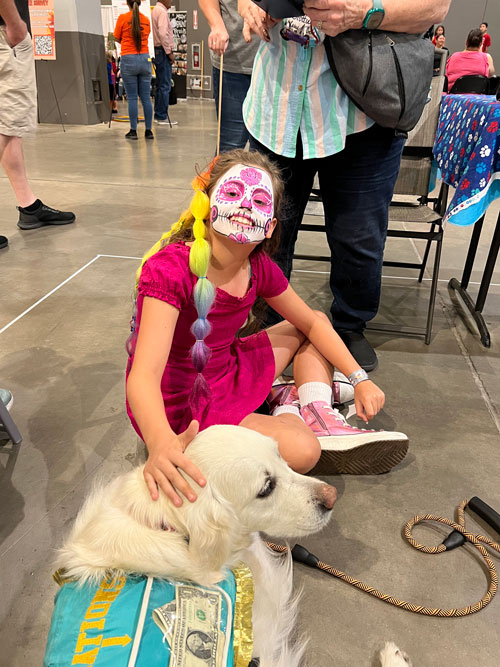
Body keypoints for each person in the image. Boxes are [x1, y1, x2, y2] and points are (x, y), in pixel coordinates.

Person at [125, 149, 409, 505]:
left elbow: (311, 322)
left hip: (229, 370)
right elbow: (144, 375)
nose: (245, 206)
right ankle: (290, 406)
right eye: (232, 193)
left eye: (258, 200)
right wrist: (160, 442)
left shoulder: (258, 267)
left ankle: (316, 411)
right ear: (206, 205)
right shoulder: (170, 269)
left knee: (312, 323)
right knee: (304, 451)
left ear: (270, 225)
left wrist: (359, 378)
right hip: (186, 405)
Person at [239, 0, 451, 372]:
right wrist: (248, 5)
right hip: (277, 103)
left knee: (359, 237)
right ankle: (266, 318)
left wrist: (366, 12)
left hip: (364, 109)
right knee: (265, 231)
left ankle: (350, 323)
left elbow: (435, 8)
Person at [0, 0, 75, 246]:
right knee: (8, 125)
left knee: (10, 128)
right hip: (6, 35)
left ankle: (29, 206)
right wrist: (15, 23)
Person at [199, 0, 259, 152]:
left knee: (268, 153)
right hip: (234, 62)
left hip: (280, 64)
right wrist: (216, 24)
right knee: (229, 148)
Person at [113, 0, 154, 141]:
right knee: (146, 98)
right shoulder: (146, 20)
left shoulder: (123, 18)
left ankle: (133, 131)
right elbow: (145, 36)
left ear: (127, 3)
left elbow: (116, 37)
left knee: (132, 98)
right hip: (145, 59)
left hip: (128, 59)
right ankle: (149, 131)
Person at [152, 0, 176, 126]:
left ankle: (159, 114)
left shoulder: (155, 11)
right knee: (165, 85)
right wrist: (169, 52)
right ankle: (161, 116)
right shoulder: (161, 12)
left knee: (160, 85)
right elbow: (162, 34)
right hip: (162, 51)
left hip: (157, 51)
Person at [446, 28, 495, 92]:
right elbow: (490, 74)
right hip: (477, 96)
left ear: (466, 42)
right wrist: (480, 53)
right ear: (481, 44)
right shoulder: (486, 57)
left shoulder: (453, 56)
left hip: (453, 96)